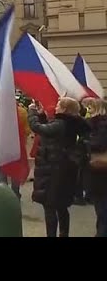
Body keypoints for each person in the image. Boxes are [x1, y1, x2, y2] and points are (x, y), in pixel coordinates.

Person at [28, 96, 91, 237]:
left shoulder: (61, 123)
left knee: (50, 206)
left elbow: (39, 128)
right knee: (61, 206)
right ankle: (64, 234)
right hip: (65, 169)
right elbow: (51, 132)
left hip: (53, 171)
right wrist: (42, 116)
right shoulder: (71, 123)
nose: (56, 107)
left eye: (58, 105)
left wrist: (32, 113)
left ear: (64, 109)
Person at [86, 98, 107, 237]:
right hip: (99, 172)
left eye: (90, 108)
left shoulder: (101, 125)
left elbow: (98, 144)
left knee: (102, 208)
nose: (88, 110)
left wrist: (84, 142)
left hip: (101, 172)